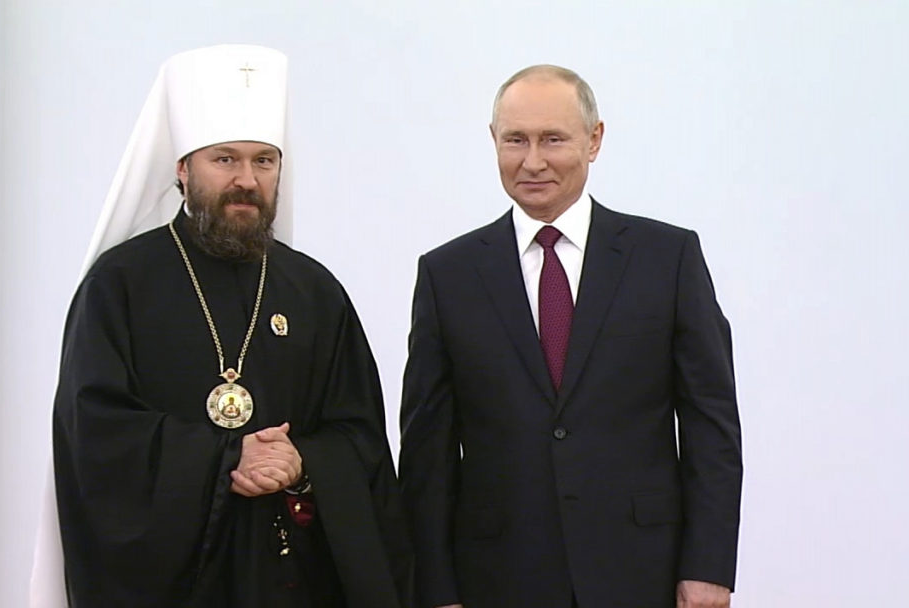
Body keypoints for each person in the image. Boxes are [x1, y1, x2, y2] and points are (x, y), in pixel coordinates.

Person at [42, 44, 411, 607]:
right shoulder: (119, 285)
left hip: (289, 581)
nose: (246, 179)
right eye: (225, 159)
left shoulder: (314, 292)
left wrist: (302, 462)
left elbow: (359, 436)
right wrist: (226, 457)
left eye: (264, 161)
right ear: (182, 169)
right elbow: (94, 434)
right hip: (172, 585)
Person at [399, 65, 742, 608]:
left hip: (643, 572)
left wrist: (708, 568)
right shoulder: (448, 275)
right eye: (516, 140)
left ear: (594, 140)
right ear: (493, 140)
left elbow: (711, 425)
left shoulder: (667, 258)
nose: (532, 161)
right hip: (497, 577)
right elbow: (426, 452)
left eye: (553, 139)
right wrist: (435, 588)